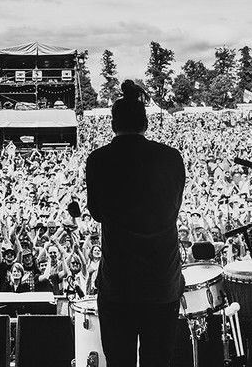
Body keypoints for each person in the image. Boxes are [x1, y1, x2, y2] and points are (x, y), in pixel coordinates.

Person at [85, 80, 185, 367]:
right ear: (145, 122)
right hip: (162, 281)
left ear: (113, 123)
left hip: (120, 283)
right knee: (159, 360)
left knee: (120, 361)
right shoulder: (171, 158)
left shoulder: (99, 160)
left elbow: (96, 212)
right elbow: (173, 208)